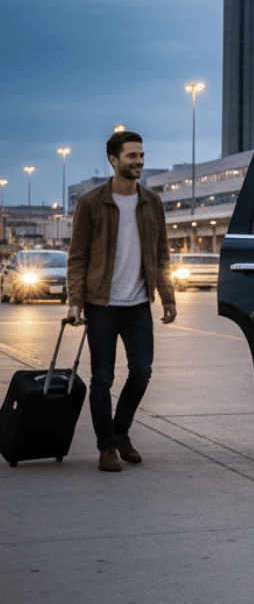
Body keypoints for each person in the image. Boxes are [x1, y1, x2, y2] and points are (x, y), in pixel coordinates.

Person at [67, 131, 176, 472]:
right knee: (102, 378)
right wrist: (75, 301)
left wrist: (167, 297)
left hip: (139, 305)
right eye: (132, 156)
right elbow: (77, 257)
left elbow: (161, 255)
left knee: (142, 373)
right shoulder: (91, 202)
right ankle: (106, 447)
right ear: (114, 160)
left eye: (141, 156)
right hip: (102, 305)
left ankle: (120, 431)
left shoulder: (151, 202)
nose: (139, 162)